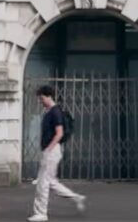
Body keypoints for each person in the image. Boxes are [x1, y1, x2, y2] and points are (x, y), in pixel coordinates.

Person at [29, 85, 85, 222]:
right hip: (52, 150)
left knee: (43, 183)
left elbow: (59, 133)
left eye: (41, 98)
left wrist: (48, 149)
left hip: (52, 151)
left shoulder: (55, 112)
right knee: (51, 182)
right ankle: (76, 197)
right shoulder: (51, 111)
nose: (40, 101)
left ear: (48, 96)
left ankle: (41, 213)